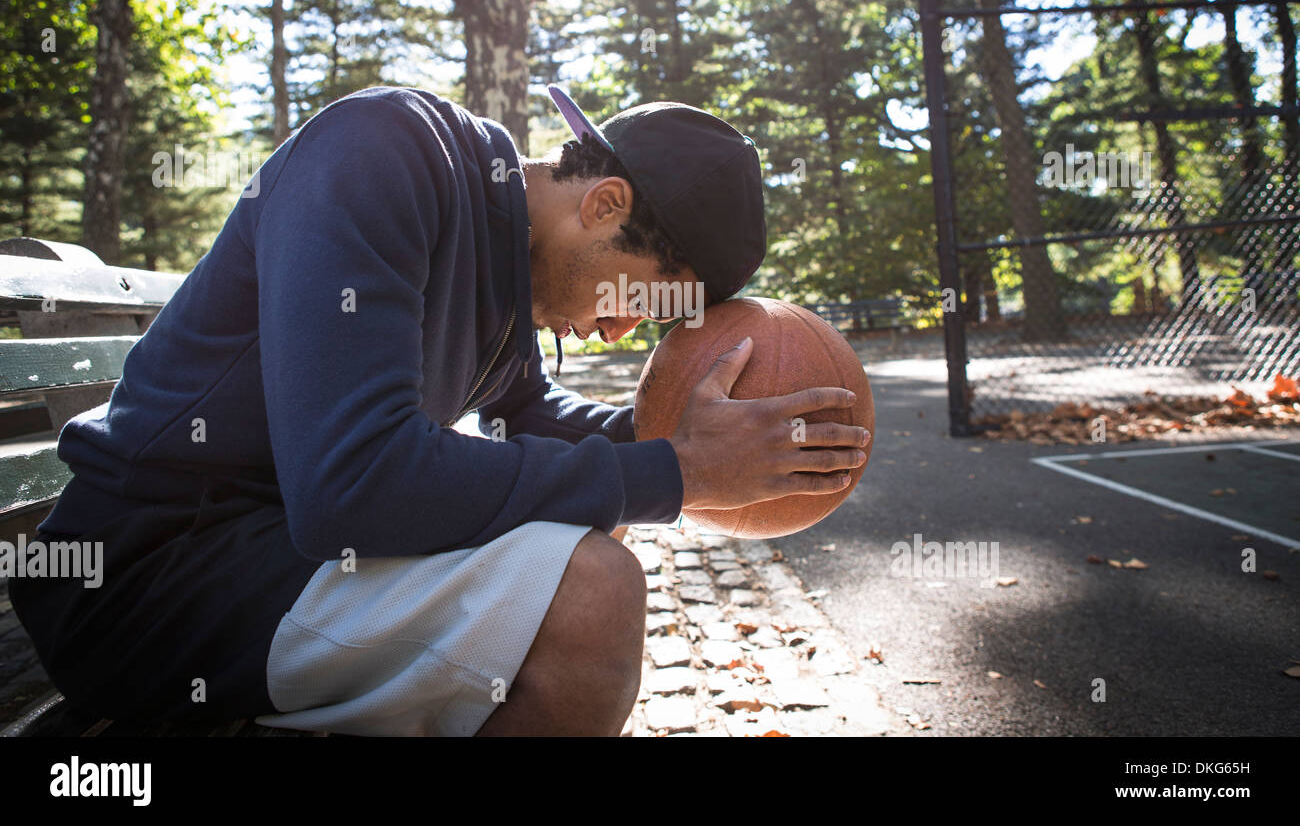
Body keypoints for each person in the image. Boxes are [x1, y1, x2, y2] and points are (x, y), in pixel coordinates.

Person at [10, 83, 869, 736]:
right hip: (147, 578)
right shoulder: (385, 155)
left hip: (261, 554)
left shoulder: (506, 264)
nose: (617, 331)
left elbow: (529, 411)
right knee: (592, 592)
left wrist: (690, 437)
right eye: (635, 300)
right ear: (604, 203)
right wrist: (672, 471)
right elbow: (353, 485)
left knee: (588, 527)